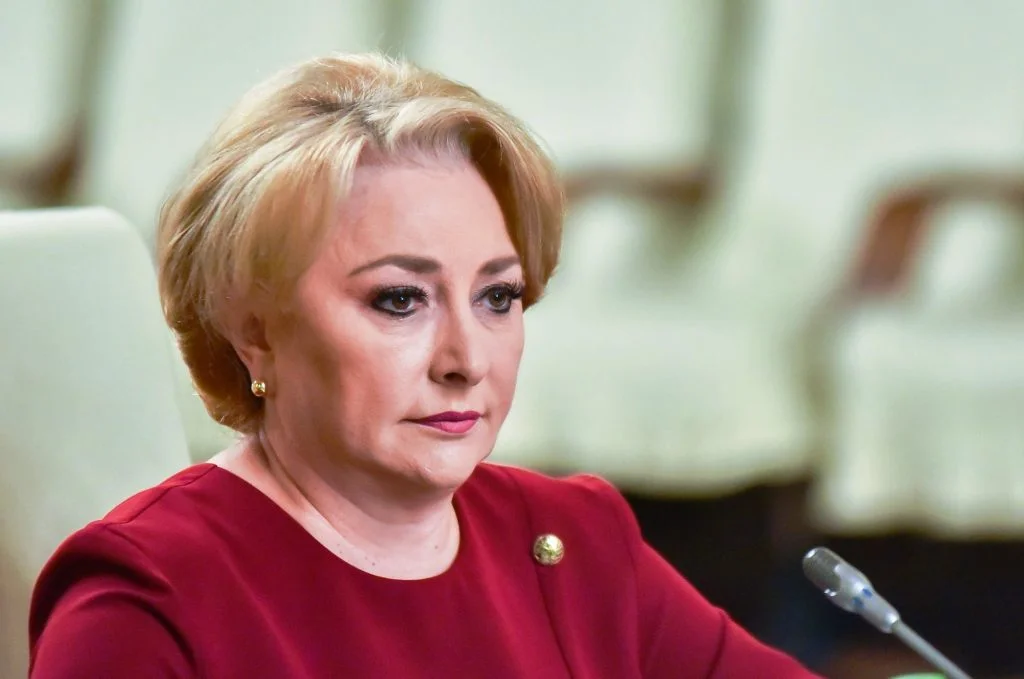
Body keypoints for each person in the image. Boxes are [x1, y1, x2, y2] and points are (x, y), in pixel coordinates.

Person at [29, 52, 820, 678]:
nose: (467, 360)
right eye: (400, 299)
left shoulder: (574, 539)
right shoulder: (147, 595)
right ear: (253, 332)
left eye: (499, 296)